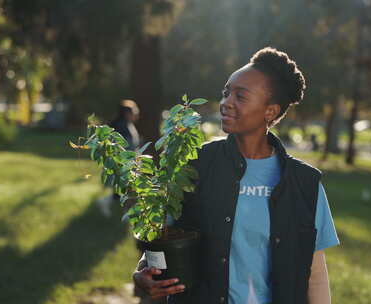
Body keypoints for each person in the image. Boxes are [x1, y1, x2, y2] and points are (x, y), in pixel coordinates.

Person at [133, 47, 340, 304]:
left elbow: (316, 275)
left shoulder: (304, 184)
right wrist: (142, 272)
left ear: (271, 111)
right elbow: (166, 236)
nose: (226, 102)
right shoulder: (195, 166)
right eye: (226, 92)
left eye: (240, 96)